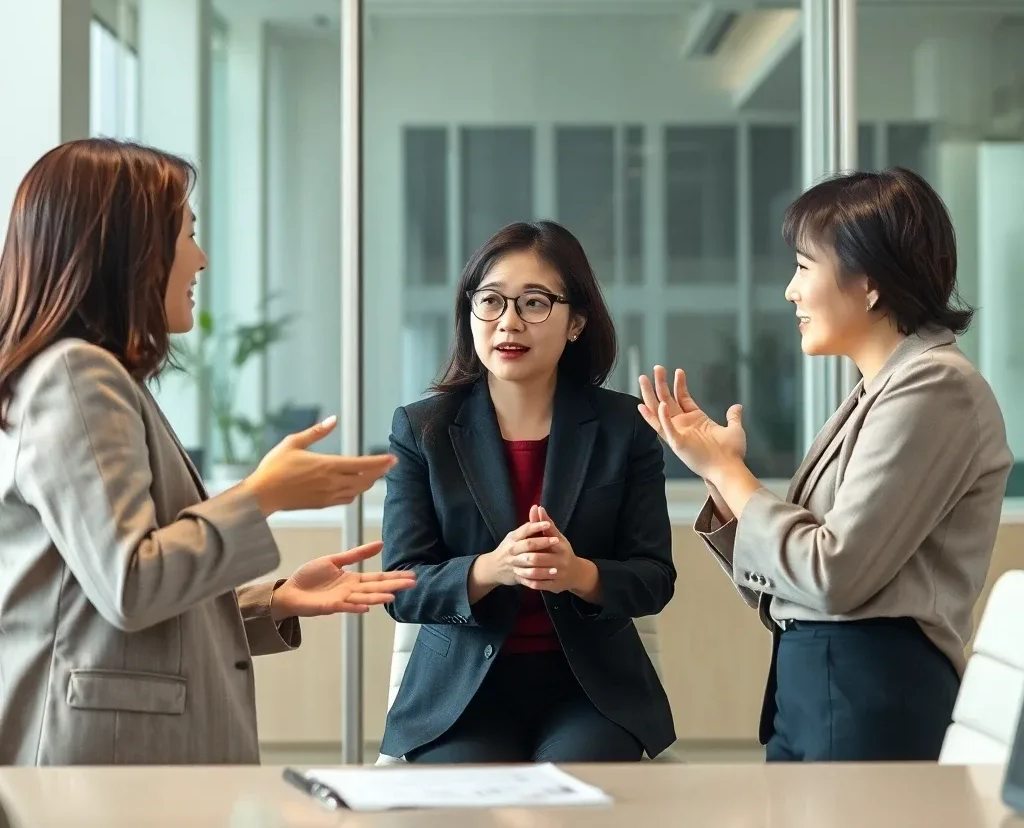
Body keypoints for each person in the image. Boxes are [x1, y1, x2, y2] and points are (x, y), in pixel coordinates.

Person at [0, 139, 415, 766]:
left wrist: (272, 602)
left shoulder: (92, 376)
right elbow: (131, 583)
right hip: (102, 766)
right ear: (126, 248)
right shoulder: (76, 375)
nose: (200, 259)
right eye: (185, 233)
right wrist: (264, 493)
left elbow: (102, 605)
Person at [640, 167, 1012, 763]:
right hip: (827, 682)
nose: (790, 290)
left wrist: (732, 476)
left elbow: (832, 573)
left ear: (868, 282)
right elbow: (801, 572)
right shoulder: (882, 388)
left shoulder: (934, 386)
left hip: (871, 688)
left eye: (803, 267)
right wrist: (716, 470)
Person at [379, 220, 676, 764]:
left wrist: (580, 574)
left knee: (573, 793)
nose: (508, 322)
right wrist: (488, 569)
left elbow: (654, 579)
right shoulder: (423, 429)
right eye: (490, 301)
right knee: (466, 796)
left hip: (590, 692)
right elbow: (401, 588)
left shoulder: (624, 426)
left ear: (576, 322)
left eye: (534, 303)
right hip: (460, 695)